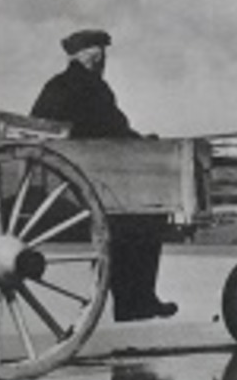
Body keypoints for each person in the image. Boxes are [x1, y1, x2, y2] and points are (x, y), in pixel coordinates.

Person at [31, 28, 178, 321]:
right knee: (149, 214)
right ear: (94, 56)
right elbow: (116, 132)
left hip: (46, 185)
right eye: (102, 55)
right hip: (82, 190)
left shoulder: (54, 86)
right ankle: (135, 301)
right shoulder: (92, 88)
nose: (104, 61)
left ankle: (128, 298)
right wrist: (145, 143)